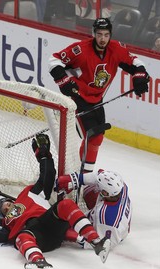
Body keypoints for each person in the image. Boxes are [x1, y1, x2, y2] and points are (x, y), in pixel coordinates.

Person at [0, 134, 111, 269]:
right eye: (3, 210)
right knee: (21, 237)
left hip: (49, 222)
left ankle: (97, 242)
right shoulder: (8, 223)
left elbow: (47, 177)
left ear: (12, 201)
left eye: (5, 203)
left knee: (65, 204)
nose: (6, 207)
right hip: (37, 236)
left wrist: (43, 154)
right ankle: (38, 261)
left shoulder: (28, 195)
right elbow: (0, 237)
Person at [48, 17, 150, 173]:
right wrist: (64, 80)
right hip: (77, 97)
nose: (103, 39)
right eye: (99, 34)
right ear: (93, 34)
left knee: (96, 137)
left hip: (96, 99)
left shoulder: (116, 49)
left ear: (111, 35)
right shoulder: (80, 49)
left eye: (106, 35)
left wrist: (140, 76)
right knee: (94, 137)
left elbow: (136, 62)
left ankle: (82, 173)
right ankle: (83, 175)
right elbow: (54, 60)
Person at [56, 169, 132, 249]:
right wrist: (77, 179)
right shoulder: (121, 187)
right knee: (89, 189)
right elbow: (99, 175)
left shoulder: (106, 217)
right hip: (119, 226)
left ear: (105, 193)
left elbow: (103, 245)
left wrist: (72, 235)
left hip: (110, 233)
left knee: (61, 225)